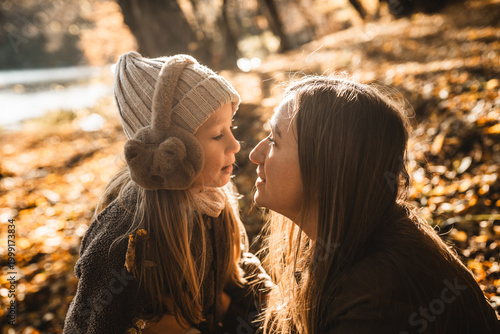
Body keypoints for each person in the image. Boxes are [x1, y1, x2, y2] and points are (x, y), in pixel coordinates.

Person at [249, 75, 500, 334]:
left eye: (274, 141)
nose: (255, 155)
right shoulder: (342, 242)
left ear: (329, 167)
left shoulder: (379, 297)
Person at [64, 52, 270, 334]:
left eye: (230, 127)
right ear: (170, 150)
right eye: (217, 135)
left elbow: (236, 264)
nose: (235, 144)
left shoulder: (213, 200)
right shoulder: (121, 238)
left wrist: (262, 300)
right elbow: (93, 323)